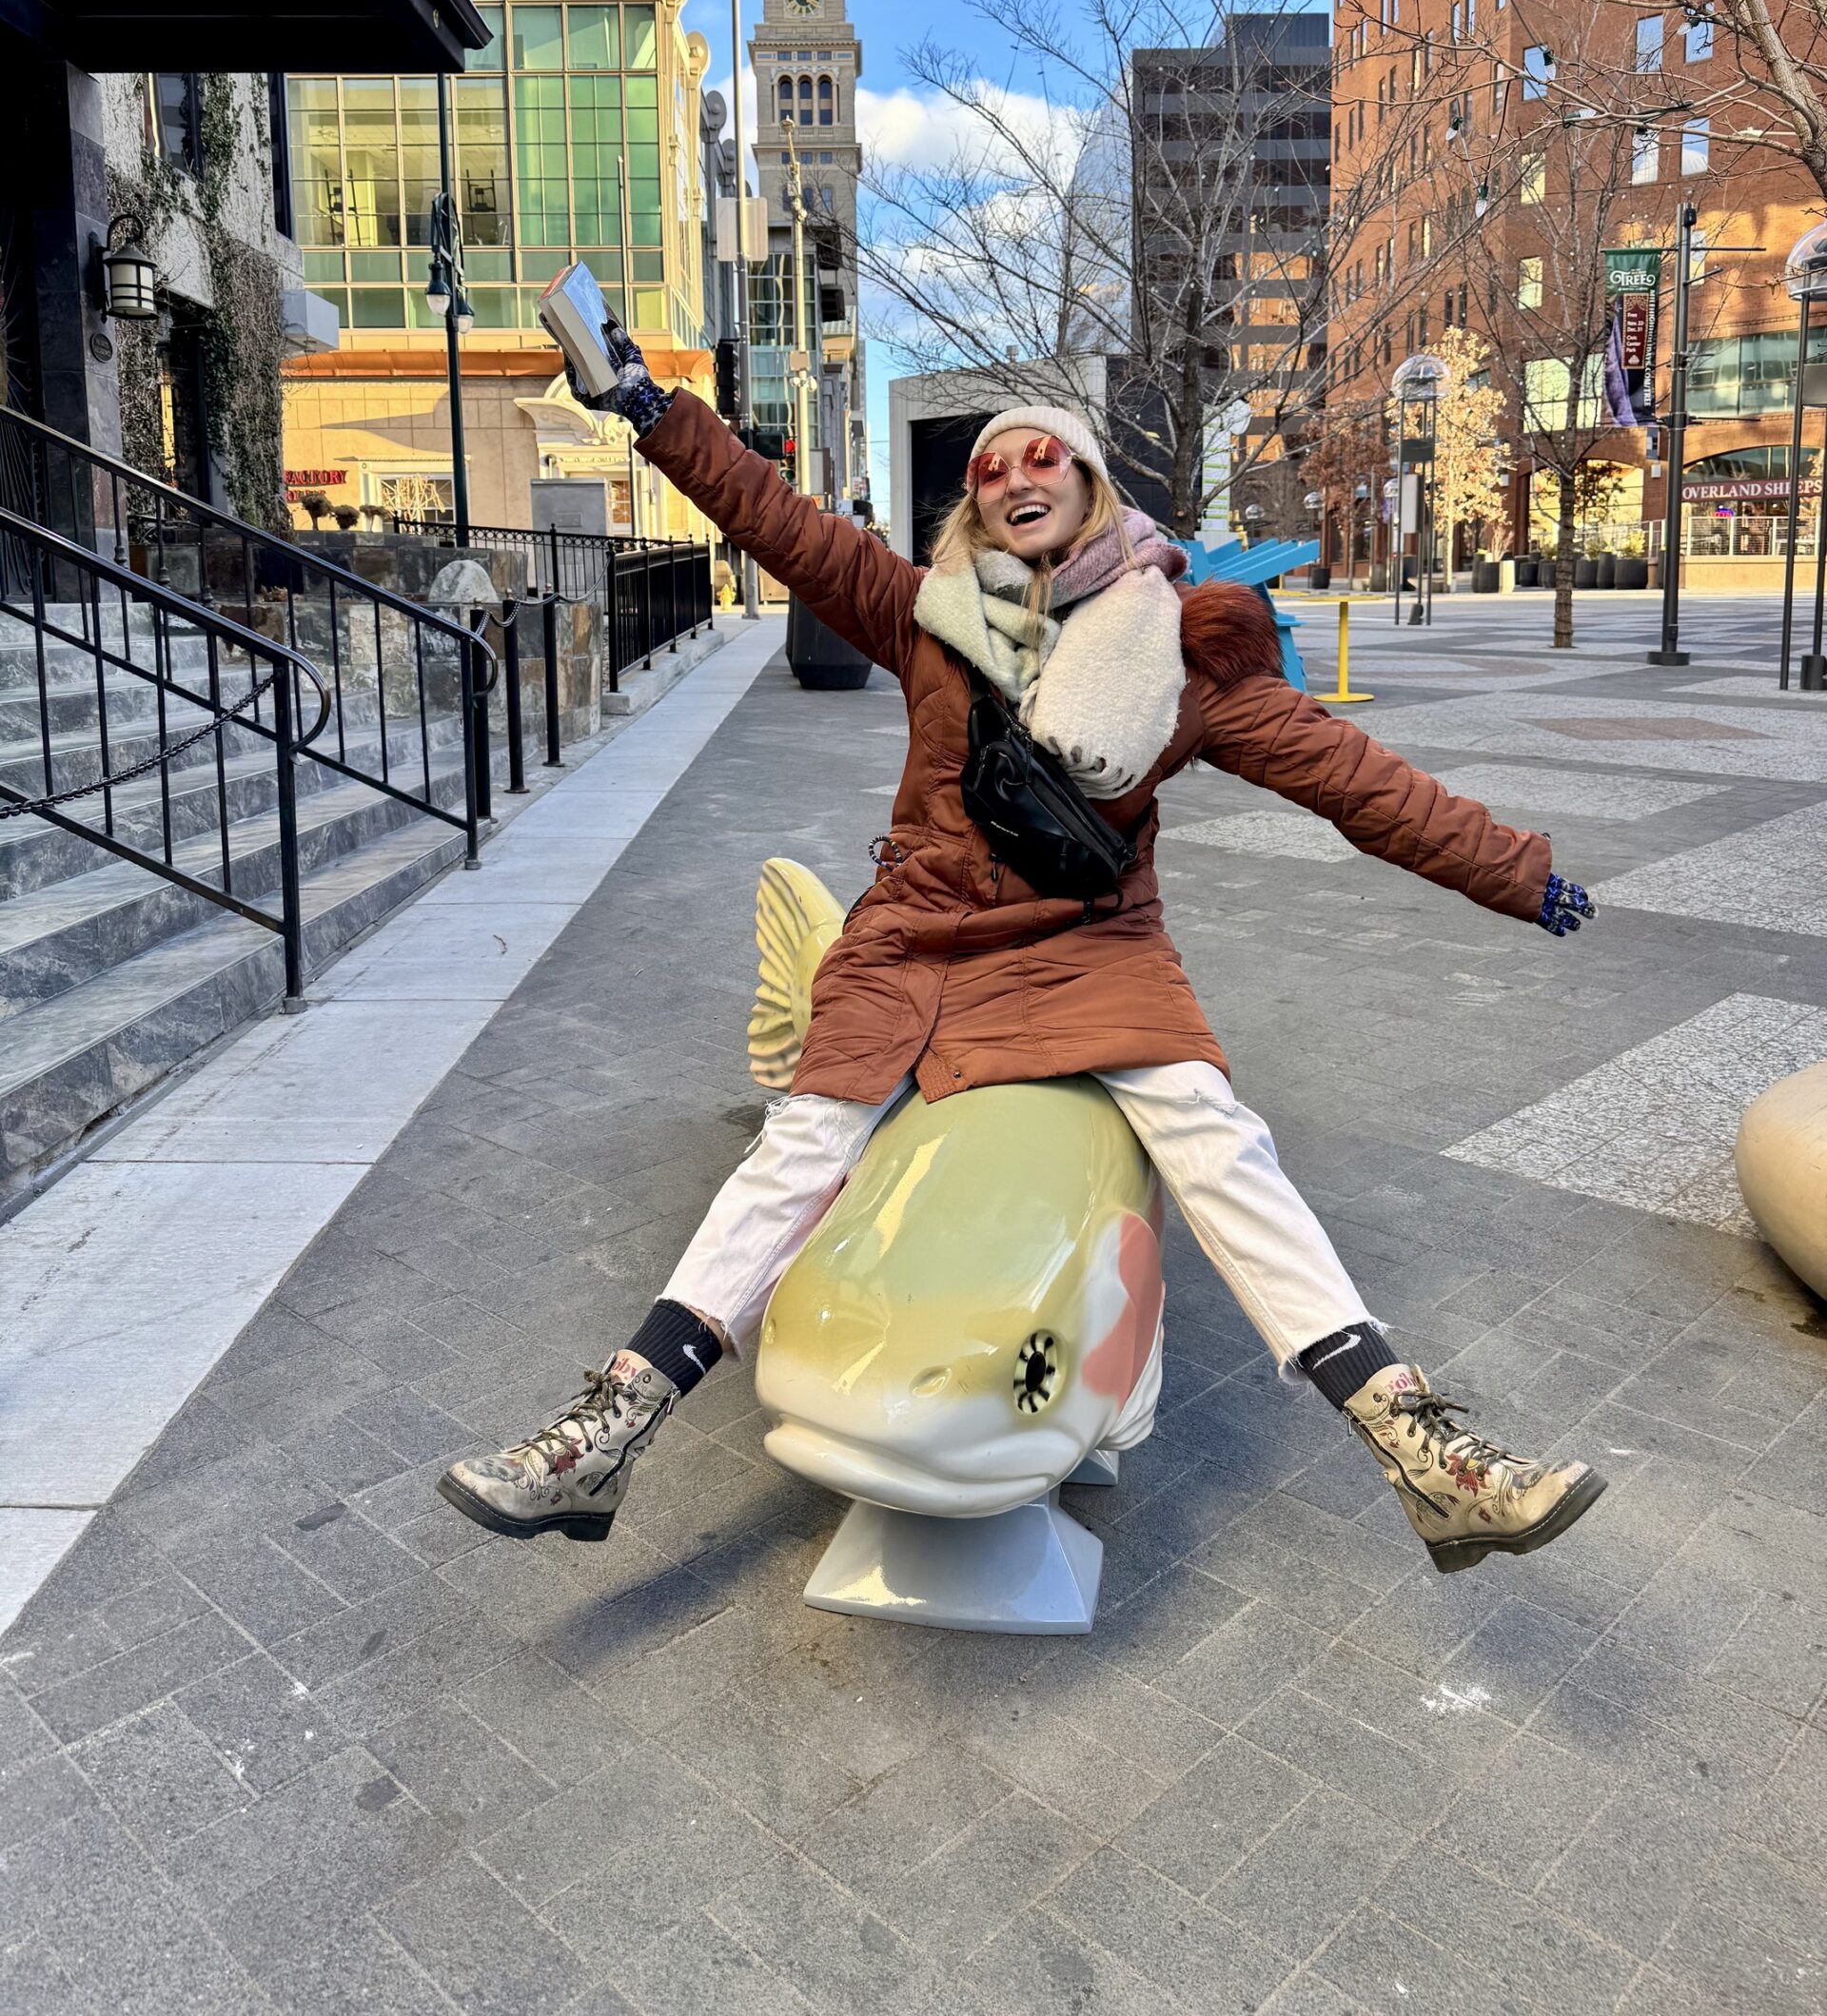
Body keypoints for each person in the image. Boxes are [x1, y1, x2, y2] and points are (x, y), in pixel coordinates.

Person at [439, 330, 1604, 1577]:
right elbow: (771, 516)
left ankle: (1421, 1451)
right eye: (993, 468)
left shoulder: (1177, 654)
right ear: (976, 502)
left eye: (1047, 456)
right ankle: (608, 1431)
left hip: (1085, 949)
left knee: (1216, 1137)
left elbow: (1354, 778)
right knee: (796, 1155)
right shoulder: (924, 613)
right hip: (914, 944)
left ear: (1093, 484)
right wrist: (650, 407)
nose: (1016, 476)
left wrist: (1515, 871)